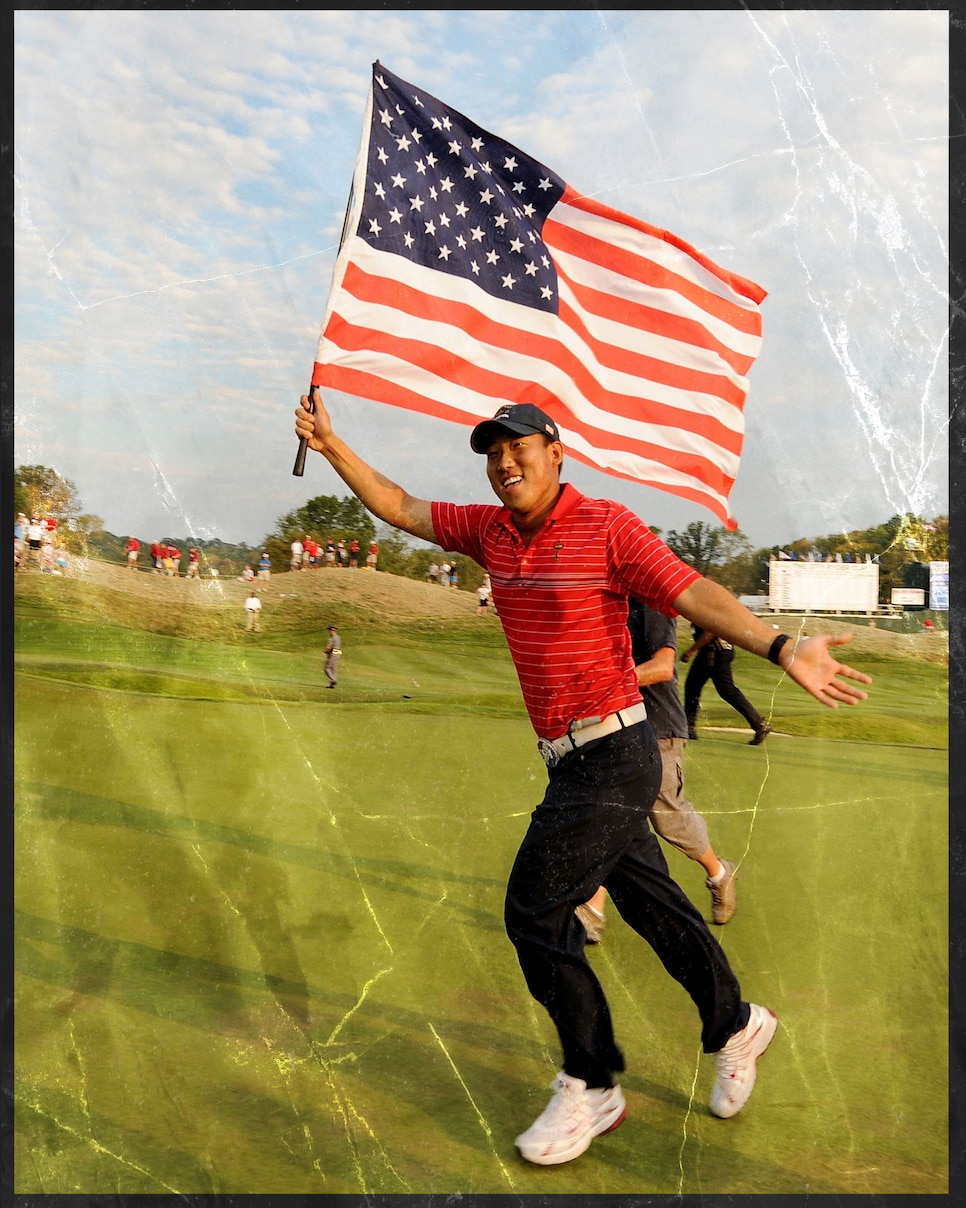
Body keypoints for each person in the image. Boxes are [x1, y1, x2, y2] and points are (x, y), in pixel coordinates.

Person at [294, 391, 871, 1165]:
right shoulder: (489, 530)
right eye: (493, 452)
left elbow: (692, 591)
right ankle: (736, 1023)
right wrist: (332, 446)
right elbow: (399, 506)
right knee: (656, 909)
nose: (504, 462)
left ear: (556, 451)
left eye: (518, 446)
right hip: (569, 759)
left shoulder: (606, 526)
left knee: (535, 911)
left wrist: (779, 647)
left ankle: (592, 1082)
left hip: (616, 752)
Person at [577, 598, 739, 943]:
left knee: (668, 817)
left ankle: (720, 872)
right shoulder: (612, 605)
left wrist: (609, 686)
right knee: (613, 814)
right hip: (620, 728)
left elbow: (663, 667)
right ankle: (593, 908)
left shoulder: (652, 607)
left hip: (660, 729)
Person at [682, 627, 772, 744]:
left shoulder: (706, 611)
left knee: (700, 687)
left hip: (713, 652)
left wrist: (691, 651)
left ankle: (688, 727)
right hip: (720, 651)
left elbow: (711, 631)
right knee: (707, 688)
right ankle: (759, 725)